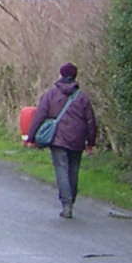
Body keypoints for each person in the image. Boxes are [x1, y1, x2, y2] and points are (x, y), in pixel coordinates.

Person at [27, 62, 99, 218]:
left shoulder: (51, 94)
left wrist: (31, 137)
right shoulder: (82, 97)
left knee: (61, 169)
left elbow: (39, 115)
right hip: (78, 139)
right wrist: (91, 142)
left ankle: (66, 204)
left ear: (60, 75)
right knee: (73, 170)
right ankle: (71, 200)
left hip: (58, 138)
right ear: (75, 76)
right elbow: (91, 121)